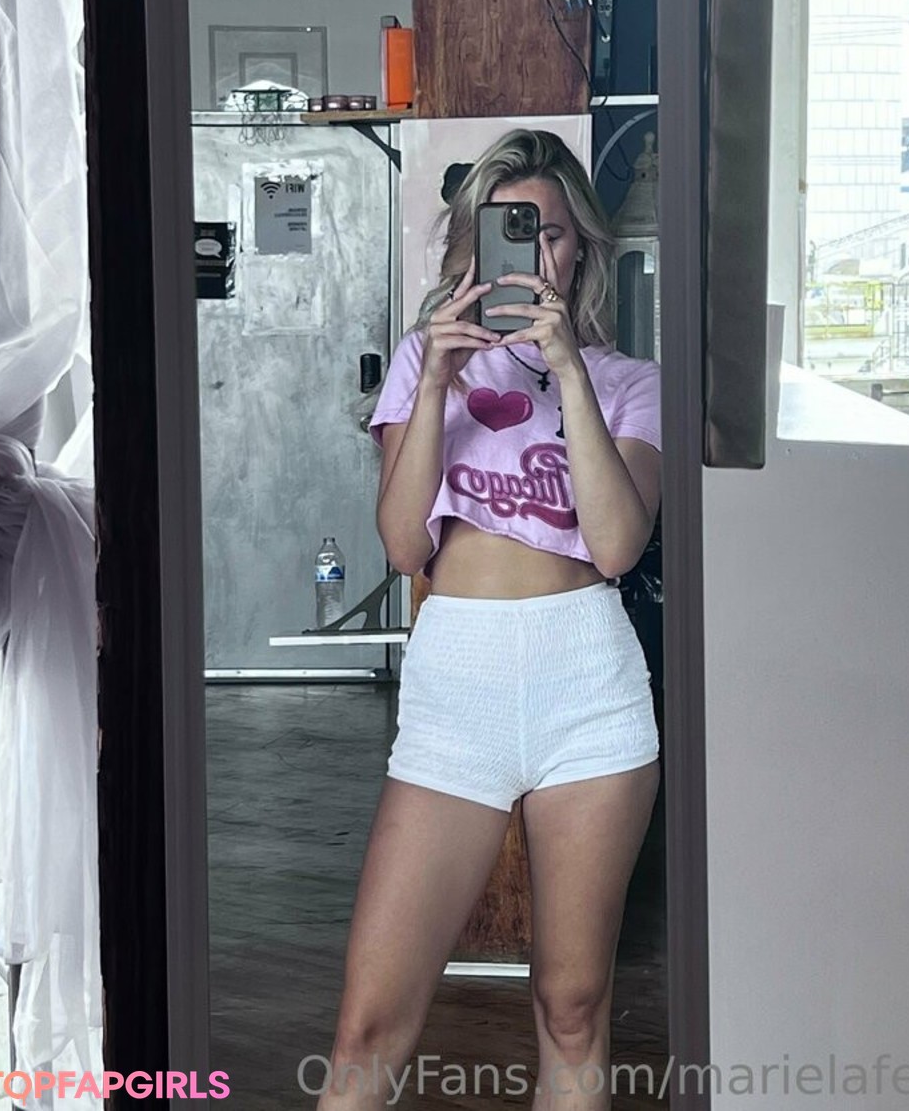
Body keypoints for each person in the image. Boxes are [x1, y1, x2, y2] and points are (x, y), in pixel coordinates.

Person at [316, 128, 662, 1111]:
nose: (533, 253)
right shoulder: (426, 363)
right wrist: (434, 381)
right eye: (510, 230)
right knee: (369, 1025)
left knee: (572, 1006)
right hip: (455, 692)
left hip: (587, 689)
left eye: (550, 233)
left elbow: (616, 545)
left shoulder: (630, 383)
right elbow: (404, 544)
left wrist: (570, 370)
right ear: (471, 246)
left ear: (580, 249)